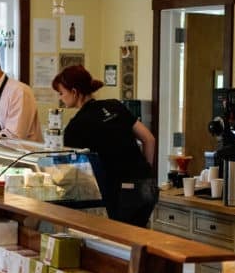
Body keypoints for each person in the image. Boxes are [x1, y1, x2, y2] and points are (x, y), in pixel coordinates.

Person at [52, 65, 158, 227]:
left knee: (120, 242)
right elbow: (149, 139)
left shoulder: (76, 126)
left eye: (61, 93)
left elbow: (73, 172)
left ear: (74, 92)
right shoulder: (114, 106)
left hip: (118, 193)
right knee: (139, 235)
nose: (61, 98)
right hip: (146, 188)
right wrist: (145, 171)